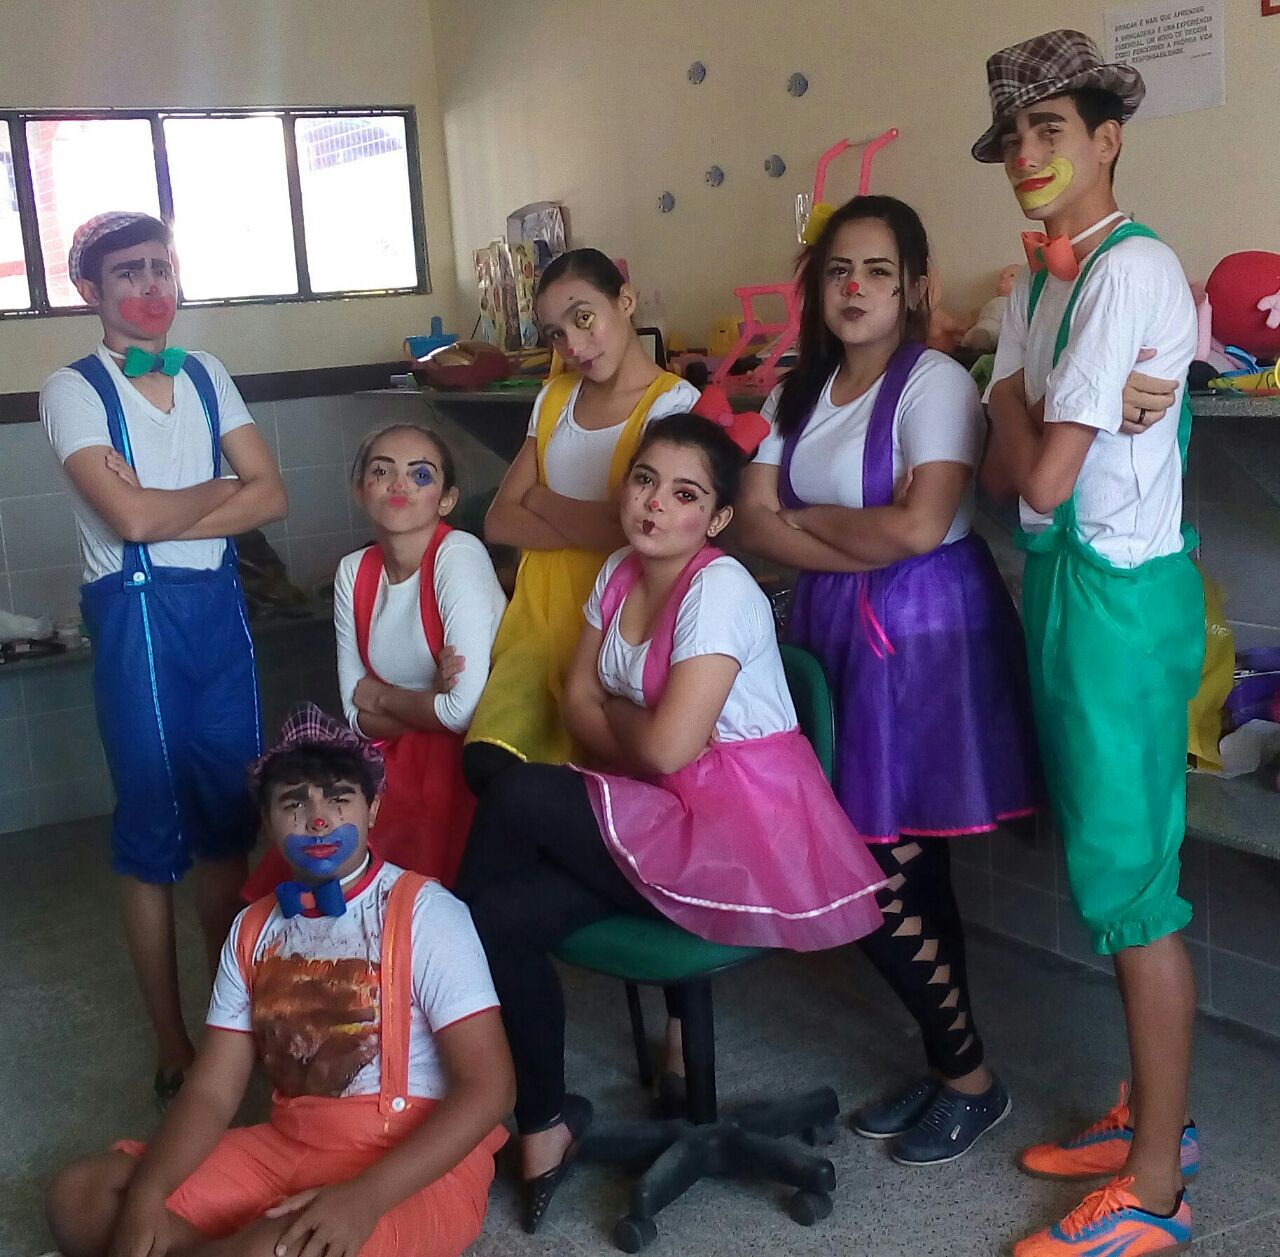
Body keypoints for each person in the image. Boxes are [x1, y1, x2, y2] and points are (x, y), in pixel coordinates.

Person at [456, 411, 888, 1233]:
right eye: (645, 481)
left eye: (685, 494)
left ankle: (452, 1067)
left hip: (744, 831)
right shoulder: (619, 570)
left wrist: (623, 719)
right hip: (660, 810)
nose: (655, 504)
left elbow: (661, 745)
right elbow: (575, 706)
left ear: (717, 518)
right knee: (501, 911)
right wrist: (635, 725)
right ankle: (540, 1122)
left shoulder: (718, 590)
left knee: (517, 795)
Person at [736, 194, 1042, 1166]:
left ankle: (968, 1077)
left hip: (920, 636)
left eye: (876, 270)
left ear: (913, 287)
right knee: (898, 857)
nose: (855, 288)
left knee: (874, 858)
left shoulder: (934, 384)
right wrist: (841, 534)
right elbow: (752, 522)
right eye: (839, 270)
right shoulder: (800, 391)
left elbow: (916, 528)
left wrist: (805, 526)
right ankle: (953, 1064)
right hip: (836, 629)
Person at [977, 30, 1202, 1255]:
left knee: (1131, 890)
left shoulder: (1127, 271)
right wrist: (1052, 405)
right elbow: (1005, 448)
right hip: (1064, 588)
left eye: (1049, 129)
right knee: (1106, 868)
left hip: (1116, 601)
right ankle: (1148, 1118)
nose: (1027, 153)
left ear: (1105, 139)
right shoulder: (1034, 286)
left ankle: (1156, 1186)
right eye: (1013, 135)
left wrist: (1030, 407)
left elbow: (1039, 479)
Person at [45, 705, 514, 1257]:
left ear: (373, 809)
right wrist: (149, 1193)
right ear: (267, 824)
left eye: (339, 798)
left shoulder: (427, 912)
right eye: (294, 803)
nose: (318, 819)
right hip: (288, 1144)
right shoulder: (253, 928)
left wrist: (366, 1198)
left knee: (272, 1250)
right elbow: (212, 1091)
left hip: (411, 1166)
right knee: (80, 1196)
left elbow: (490, 1088)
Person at [37, 211, 287, 1104]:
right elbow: (131, 522)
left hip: (218, 616)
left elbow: (272, 496)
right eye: (128, 273)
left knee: (227, 823)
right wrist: (221, 489)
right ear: (91, 291)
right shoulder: (72, 390)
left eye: (161, 268)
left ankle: (231, 1024)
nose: (150, 287)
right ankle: (173, 1038)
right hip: (135, 619)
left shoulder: (208, 372)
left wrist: (173, 503)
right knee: (151, 839)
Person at [464, 248, 699, 790]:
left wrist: (542, 500)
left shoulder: (671, 404)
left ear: (626, 301)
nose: (573, 344)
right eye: (555, 333)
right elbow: (499, 521)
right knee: (496, 765)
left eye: (584, 317)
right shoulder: (554, 398)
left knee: (593, 786)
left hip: (618, 619)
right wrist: (596, 522)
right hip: (537, 619)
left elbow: (638, 529)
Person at [242, 423, 506, 898]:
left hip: (465, 765)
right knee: (318, 832)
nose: (400, 485)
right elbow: (353, 716)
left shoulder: (458, 556)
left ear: (447, 499)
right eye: (382, 472)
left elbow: (462, 714)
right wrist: (427, 699)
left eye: (421, 475)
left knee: (381, 861)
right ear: (360, 489)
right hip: (388, 757)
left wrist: (382, 697)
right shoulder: (353, 571)